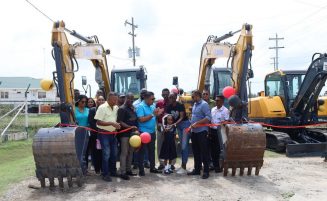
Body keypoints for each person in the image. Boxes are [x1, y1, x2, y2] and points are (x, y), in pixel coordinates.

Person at [95, 92, 120, 182]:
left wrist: (116, 126)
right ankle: (105, 174)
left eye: (116, 99)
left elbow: (115, 119)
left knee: (114, 154)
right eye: (114, 99)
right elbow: (98, 122)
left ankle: (113, 171)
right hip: (104, 134)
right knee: (106, 154)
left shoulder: (116, 107)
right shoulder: (102, 108)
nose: (116, 101)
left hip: (113, 134)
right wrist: (111, 123)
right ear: (108, 99)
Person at [136, 91, 163, 176]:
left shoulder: (152, 106)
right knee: (142, 151)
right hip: (143, 133)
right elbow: (141, 119)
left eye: (154, 98)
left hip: (152, 132)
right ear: (146, 98)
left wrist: (158, 114)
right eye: (152, 99)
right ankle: (141, 170)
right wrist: (152, 114)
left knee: (152, 151)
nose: (153, 100)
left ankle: (152, 168)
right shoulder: (140, 106)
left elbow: (154, 116)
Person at [187, 90, 211, 179]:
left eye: (193, 97)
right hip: (194, 132)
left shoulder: (204, 104)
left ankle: (206, 171)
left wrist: (197, 123)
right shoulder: (195, 104)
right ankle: (197, 169)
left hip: (201, 131)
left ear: (198, 96)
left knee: (204, 152)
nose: (192, 98)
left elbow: (208, 118)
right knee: (196, 151)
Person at [166, 93, 190, 174]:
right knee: (181, 144)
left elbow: (182, 117)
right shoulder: (168, 107)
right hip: (177, 126)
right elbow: (167, 117)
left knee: (184, 146)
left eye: (172, 97)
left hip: (184, 125)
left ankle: (184, 166)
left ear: (176, 97)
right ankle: (180, 165)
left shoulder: (180, 105)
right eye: (170, 97)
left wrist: (174, 124)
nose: (171, 98)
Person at [117, 93, 138, 180]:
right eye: (129, 99)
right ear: (126, 98)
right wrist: (130, 127)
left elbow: (134, 119)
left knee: (130, 152)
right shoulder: (122, 109)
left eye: (132, 100)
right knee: (124, 153)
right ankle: (123, 172)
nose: (131, 101)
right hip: (124, 134)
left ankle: (128, 170)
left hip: (132, 134)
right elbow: (120, 122)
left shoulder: (131, 108)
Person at [210, 95, 229, 173]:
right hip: (212, 131)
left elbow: (227, 122)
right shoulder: (213, 109)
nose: (216, 102)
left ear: (222, 101)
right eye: (216, 100)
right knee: (213, 150)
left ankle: (220, 166)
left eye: (218, 100)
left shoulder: (225, 110)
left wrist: (224, 123)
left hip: (220, 132)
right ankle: (215, 166)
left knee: (220, 150)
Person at [88, 95, 105, 174]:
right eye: (99, 100)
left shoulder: (106, 110)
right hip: (95, 135)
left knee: (103, 152)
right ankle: (97, 169)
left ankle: (103, 168)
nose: (101, 101)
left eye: (102, 100)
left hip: (105, 134)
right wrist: (99, 130)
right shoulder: (92, 110)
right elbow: (91, 122)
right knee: (95, 152)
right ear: (96, 101)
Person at [74, 95, 90, 174]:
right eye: (82, 102)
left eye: (85, 102)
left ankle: (84, 169)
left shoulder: (88, 110)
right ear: (78, 101)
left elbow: (90, 121)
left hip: (85, 132)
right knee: (77, 151)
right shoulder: (74, 110)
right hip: (76, 133)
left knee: (84, 151)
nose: (84, 103)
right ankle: (78, 169)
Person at [156, 88, 170, 170]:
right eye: (163, 94)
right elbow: (156, 115)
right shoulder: (159, 103)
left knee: (171, 144)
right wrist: (157, 124)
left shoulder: (172, 102)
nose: (165, 96)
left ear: (169, 94)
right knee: (160, 145)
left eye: (166, 94)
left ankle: (170, 163)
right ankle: (161, 163)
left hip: (170, 126)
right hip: (160, 125)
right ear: (161, 94)